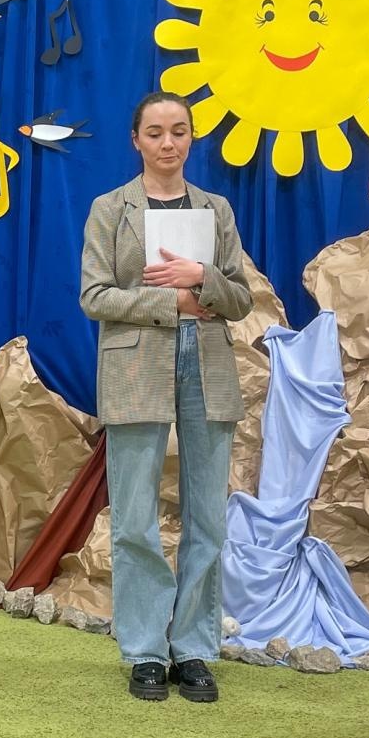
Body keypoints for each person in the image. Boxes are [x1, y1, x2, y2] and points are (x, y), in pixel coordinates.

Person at [80, 92, 253, 703]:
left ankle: (195, 648)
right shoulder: (110, 209)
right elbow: (95, 296)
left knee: (207, 514)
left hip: (206, 364)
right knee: (133, 516)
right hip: (135, 367)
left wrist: (202, 280)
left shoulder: (216, 209)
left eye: (178, 131)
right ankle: (146, 650)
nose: (168, 142)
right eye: (155, 132)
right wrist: (171, 302)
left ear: (191, 137)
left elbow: (240, 299)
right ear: (136, 139)